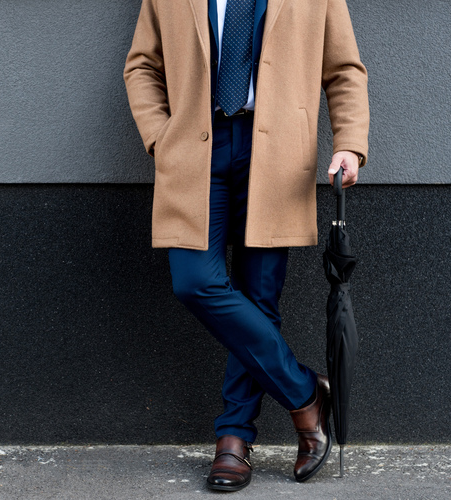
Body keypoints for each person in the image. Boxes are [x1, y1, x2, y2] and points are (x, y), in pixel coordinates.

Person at [123, 0, 369, 491]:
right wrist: (161, 136)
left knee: (260, 298)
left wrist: (348, 141)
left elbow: (343, 68)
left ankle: (234, 438)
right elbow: (142, 65)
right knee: (195, 282)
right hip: (196, 149)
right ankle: (304, 395)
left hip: (277, 154)